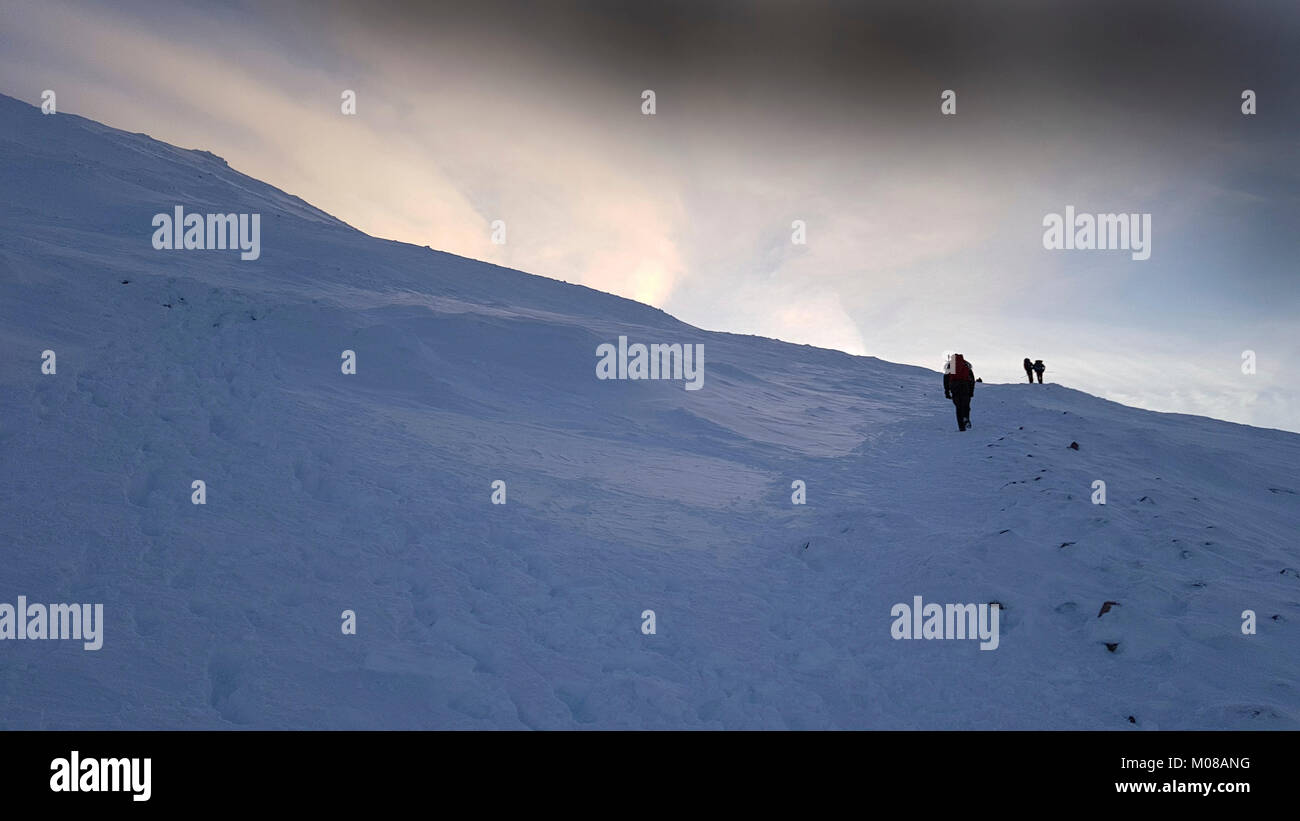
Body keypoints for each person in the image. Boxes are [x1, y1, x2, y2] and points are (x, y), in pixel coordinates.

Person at [943, 353, 976, 431]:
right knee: (966, 405)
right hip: (965, 386)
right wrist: (971, 391)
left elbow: (946, 379)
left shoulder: (950, 365)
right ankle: (966, 418)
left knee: (958, 407)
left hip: (954, 387)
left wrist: (947, 392)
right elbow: (972, 379)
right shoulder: (966, 365)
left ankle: (961, 427)